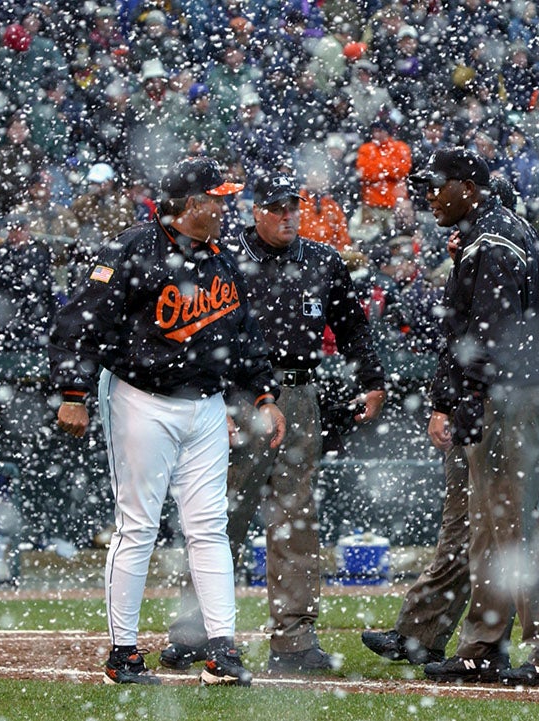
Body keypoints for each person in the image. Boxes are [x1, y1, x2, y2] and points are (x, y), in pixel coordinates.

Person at [49, 156, 286, 687]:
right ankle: (123, 655)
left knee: (209, 527)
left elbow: (242, 333)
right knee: (138, 526)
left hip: (205, 403)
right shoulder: (133, 248)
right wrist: (73, 393)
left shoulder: (220, 258)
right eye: (217, 199)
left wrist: (262, 393)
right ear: (191, 205)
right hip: (142, 398)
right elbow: (79, 321)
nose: (225, 208)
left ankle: (221, 650)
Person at [159, 173, 386, 675]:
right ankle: (196, 631)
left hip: (299, 393)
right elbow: (196, 331)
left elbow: (353, 327)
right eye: (278, 207)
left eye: (294, 207)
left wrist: (372, 378)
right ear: (256, 210)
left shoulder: (323, 260)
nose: (288, 216)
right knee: (221, 515)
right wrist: (213, 398)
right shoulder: (224, 259)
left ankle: (294, 641)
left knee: (295, 518)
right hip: (238, 394)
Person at [413, 147, 539, 687]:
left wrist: (463, 395)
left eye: (437, 185)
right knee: (503, 526)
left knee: (515, 526)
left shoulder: (490, 240)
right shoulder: (512, 229)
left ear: (468, 187)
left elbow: (487, 330)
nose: (429, 196)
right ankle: (484, 648)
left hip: (513, 389)